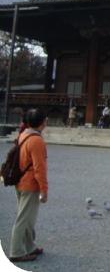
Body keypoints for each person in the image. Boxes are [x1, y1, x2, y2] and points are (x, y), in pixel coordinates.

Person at [9, 108, 48, 263]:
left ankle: (30, 246)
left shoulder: (24, 134)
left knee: (27, 217)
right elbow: (40, 168)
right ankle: (16, 251)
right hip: (30, 184)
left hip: (20, 181)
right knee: (23, 219)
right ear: (41, 122)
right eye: (45, 119)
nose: (46, 122)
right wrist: (44, 190)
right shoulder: (37, 140)